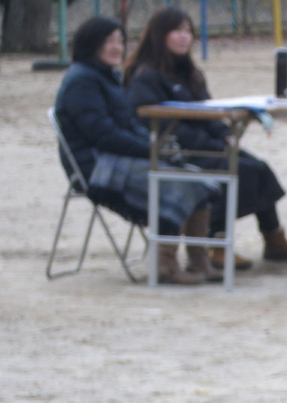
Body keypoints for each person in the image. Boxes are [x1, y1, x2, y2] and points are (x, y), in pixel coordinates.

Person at [124, 9, 287, 273]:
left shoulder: (190, 73)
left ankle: (274, 238)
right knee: (239, 170)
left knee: (258, 166)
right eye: (177, 30)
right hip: (172, 152)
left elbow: (208, 111)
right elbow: (161, 124)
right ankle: (216, 243)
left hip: (204, 146)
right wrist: (210, 143)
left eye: (188, 31)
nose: (184, 37)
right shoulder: (146, 77)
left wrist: (224, 134)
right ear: (159, 34)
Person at [55, 17, 217, 285]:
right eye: (108, 41)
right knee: (177, 183)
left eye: (120, 41)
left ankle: (198, 260)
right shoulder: (82, 81)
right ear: (91, 44)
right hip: (97, 166)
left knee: (196, 178)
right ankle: (165, 265)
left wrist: (154, 148)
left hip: (116, 158)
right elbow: (102, 135)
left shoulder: (106, 76)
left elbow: (130, 125)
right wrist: (149, 152)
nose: (117, 47)